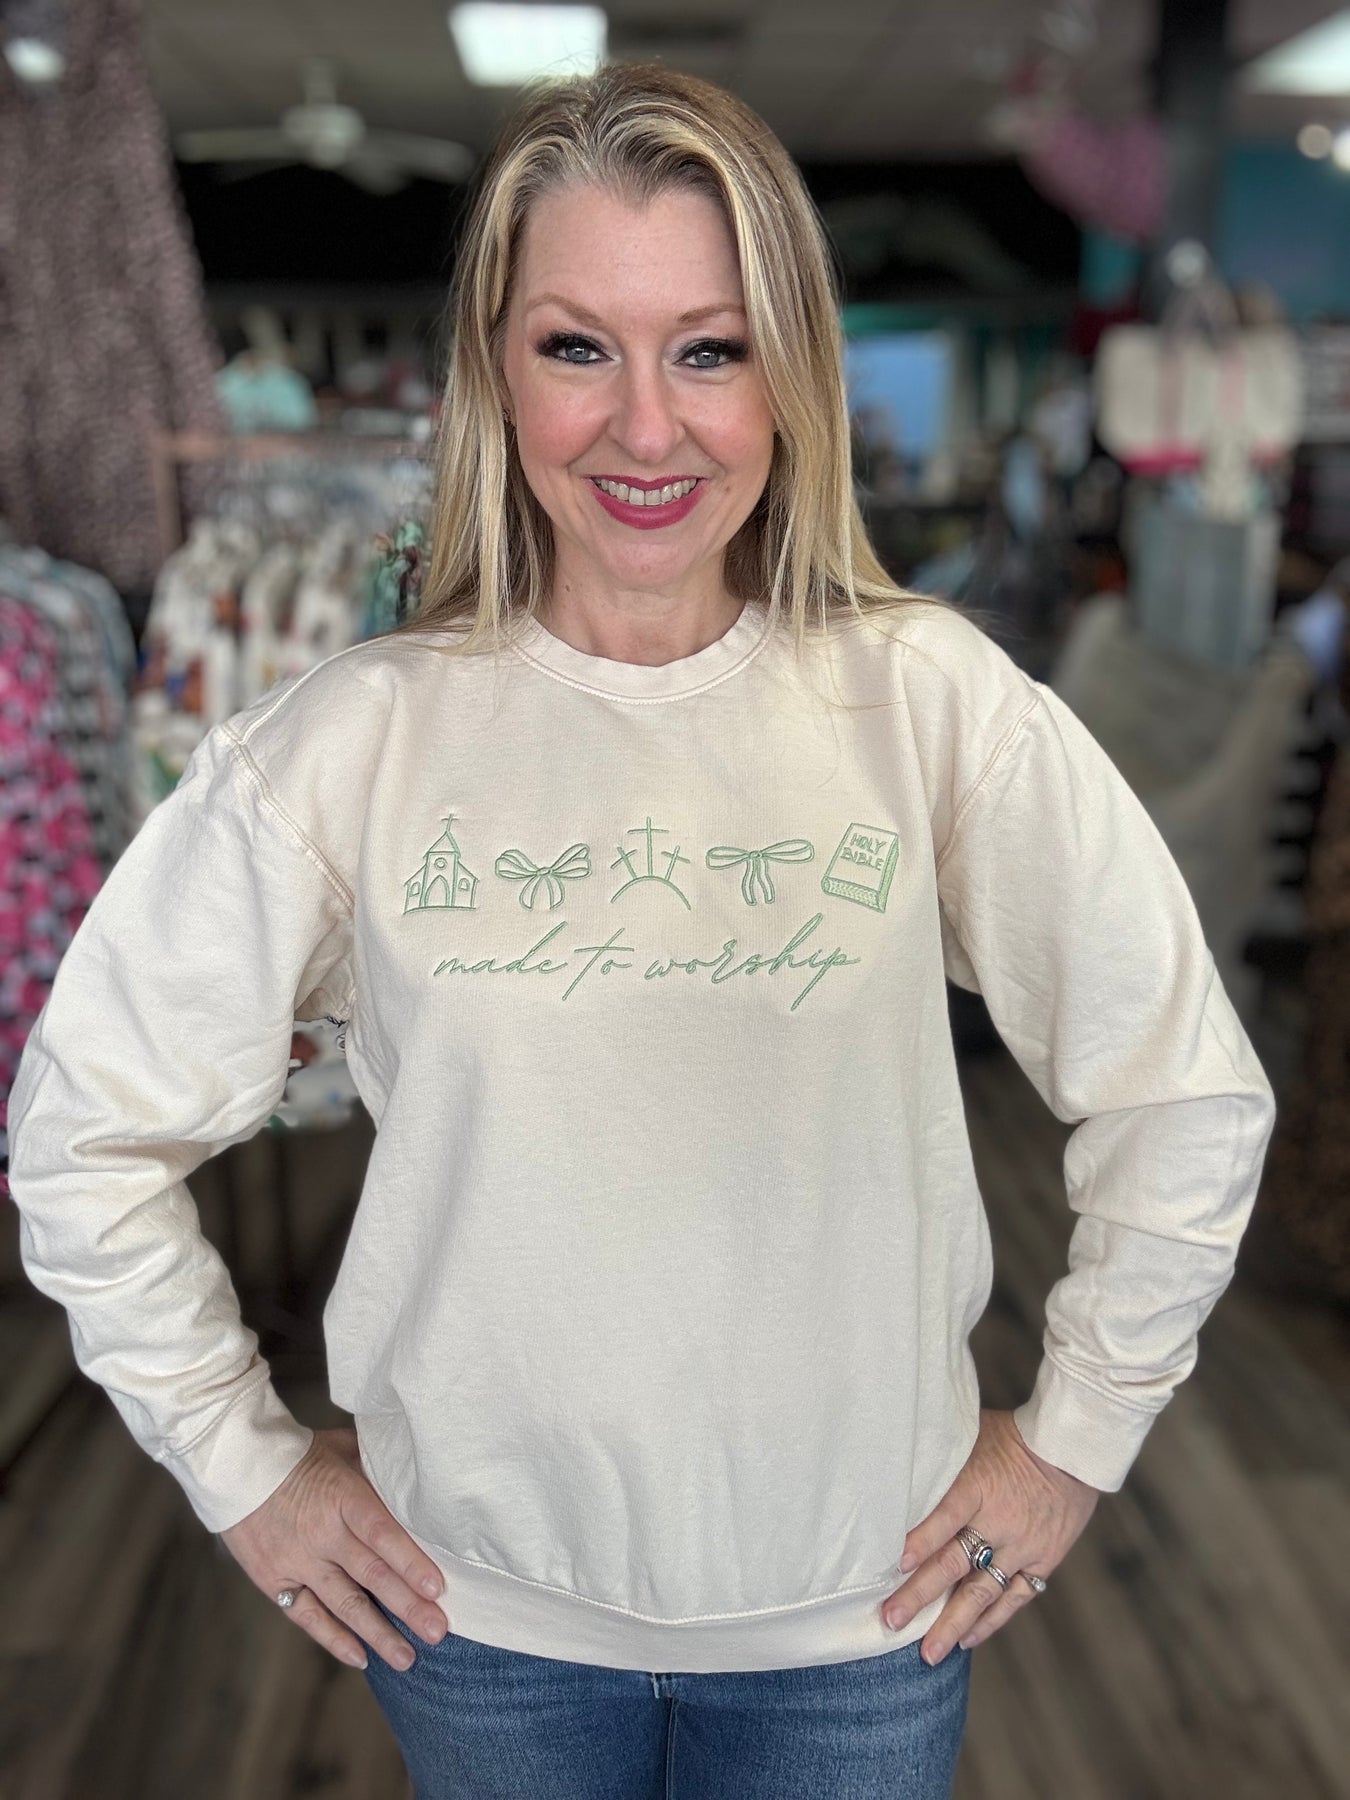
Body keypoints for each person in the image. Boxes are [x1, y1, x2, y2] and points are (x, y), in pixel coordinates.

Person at [7, 64, 1276, 1800]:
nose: (645, 427)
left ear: (790, 373)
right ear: (493, 371)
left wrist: (1074, 1440)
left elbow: (1178, 1089)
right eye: (575, 347)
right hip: (477, 1630)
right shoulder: (349, 744)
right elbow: (80, 1132)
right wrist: (242, 1467)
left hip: (859, 1628)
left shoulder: (928, 704)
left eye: (709, 348)